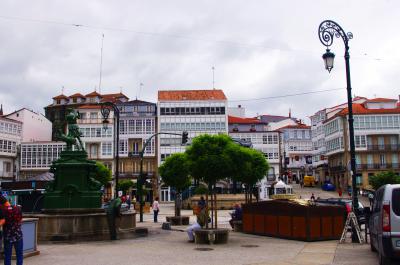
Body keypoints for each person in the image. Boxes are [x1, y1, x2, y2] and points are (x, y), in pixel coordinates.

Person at [0, 195, 23, 265]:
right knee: (19, 254)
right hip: (18, 235)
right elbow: (20, 220)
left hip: (8, 236)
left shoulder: (3, 211)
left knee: (7, 255)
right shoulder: (17, 209)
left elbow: (3, 221)